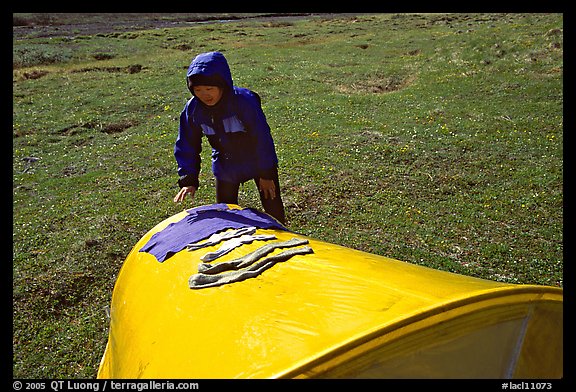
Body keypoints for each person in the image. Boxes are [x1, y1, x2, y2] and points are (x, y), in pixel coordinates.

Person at [173, 51, 287, 225]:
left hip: (256, 160)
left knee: (273, 209)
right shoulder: (193, 110)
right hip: (225, 164)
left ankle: (282, 235)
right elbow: (187, 144)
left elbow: (262, 138)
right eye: (198, 90)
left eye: (209, 89)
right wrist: (188, 179)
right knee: (227, 214)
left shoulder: (244, 102)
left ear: (222, 85)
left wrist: (266, 173)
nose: (205, 95)